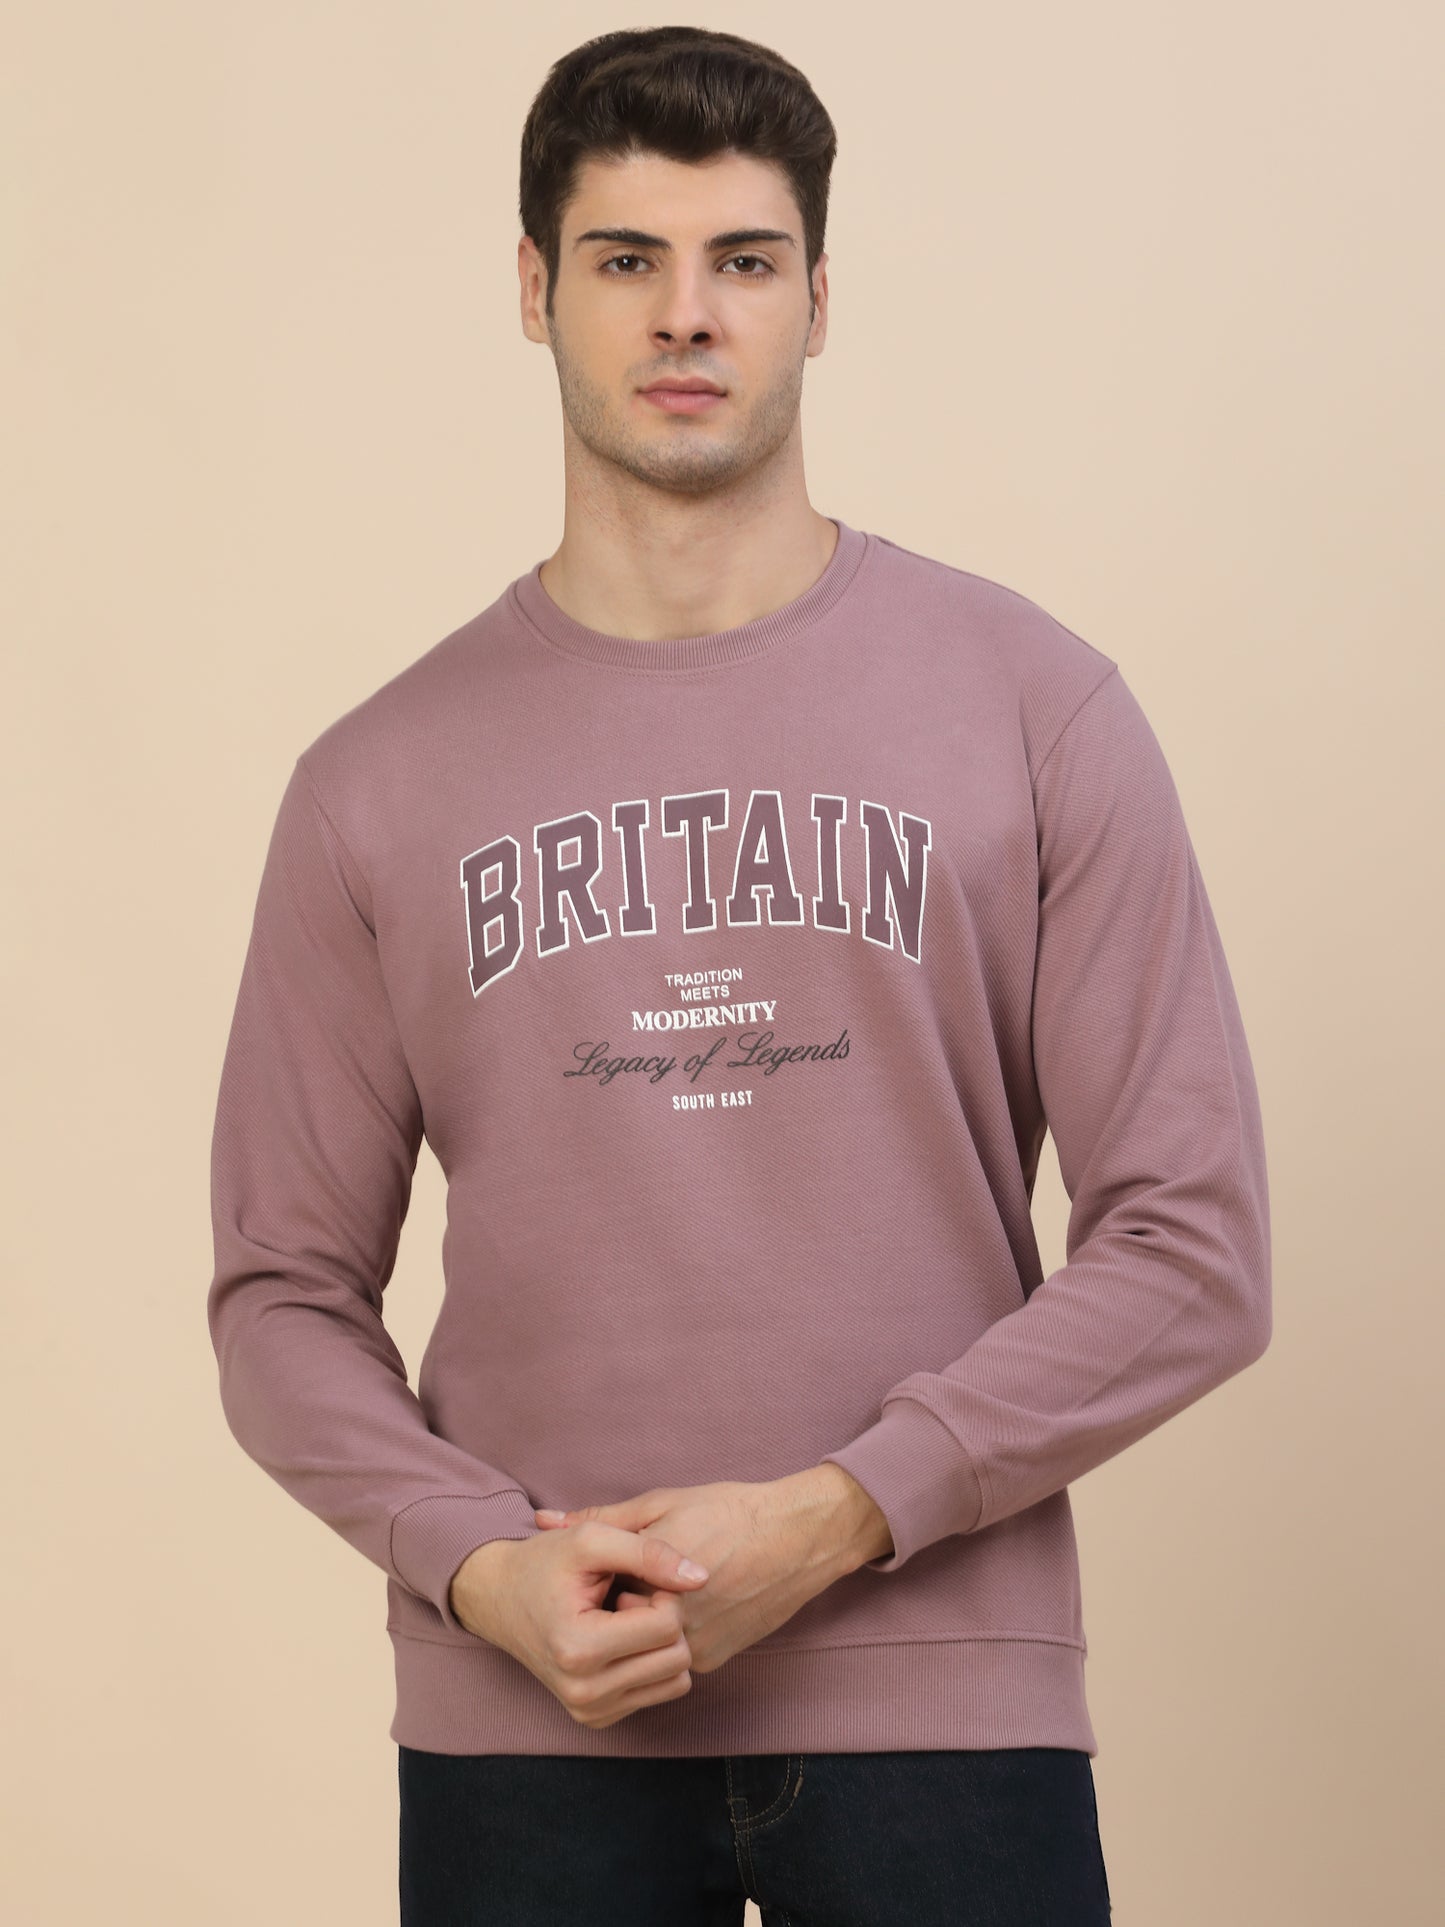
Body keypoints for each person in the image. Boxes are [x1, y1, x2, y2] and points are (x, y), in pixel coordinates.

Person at [206, 23, 1271, 1924]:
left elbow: (1192, 1246)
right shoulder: (375, 781)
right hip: (530, 1730)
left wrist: (839, 1516)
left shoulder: (1033, 709)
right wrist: (480, 1567)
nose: (684, 313)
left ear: (817, 300)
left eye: (743, 261)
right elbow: (280, 1294)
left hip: (943, 1708)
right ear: (533, 289)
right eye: (625, 258)